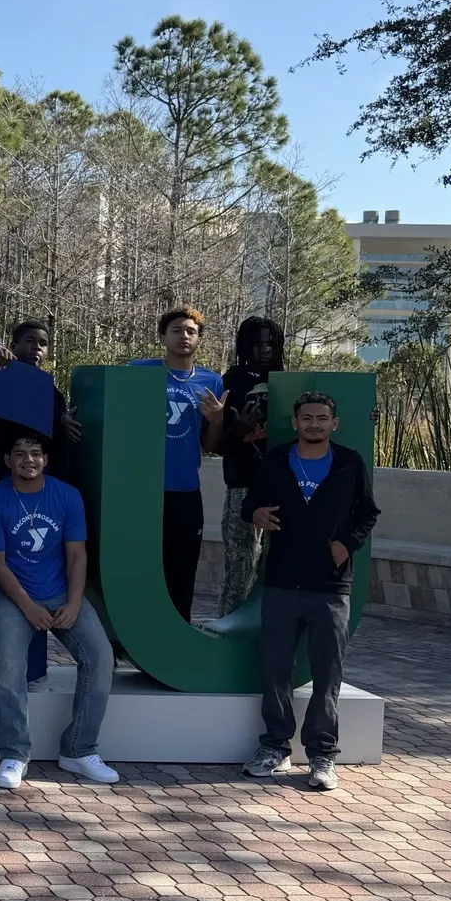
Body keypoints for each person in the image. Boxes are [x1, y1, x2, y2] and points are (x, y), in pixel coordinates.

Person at [242, 391, 380, 793]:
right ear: (296, 422)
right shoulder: (276, 459)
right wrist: (256, 514)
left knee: (327, 673)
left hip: (330, 587)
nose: (314, 424)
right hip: (282, 581)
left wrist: (345, 544)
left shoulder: (348, 463)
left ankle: (322, 755)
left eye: (322, 418)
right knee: (275, 670)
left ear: (333, 424)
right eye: (307, 418)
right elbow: (249, 502)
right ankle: (274, 747)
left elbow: (368, 513)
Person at [0, 430, 119, 790]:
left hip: (61, 593)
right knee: (9, 665)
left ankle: (79, 748)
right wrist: (26, 605)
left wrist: (73, 602)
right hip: (14, 596)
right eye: (20, 453)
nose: (29, 459)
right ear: (8, 460)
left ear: (46, 459)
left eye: (36, 453)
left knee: (101, 657)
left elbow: (76, 555)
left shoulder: (66, 496)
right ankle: (14, 753)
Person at [130, 306, 225, 620]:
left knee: (181, 572)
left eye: (191, 332)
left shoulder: (212, 381)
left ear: (199, 339)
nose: (184, 336)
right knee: (140, 568)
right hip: (143, 491)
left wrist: (216, 420)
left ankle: (176, 643)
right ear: (162, 336)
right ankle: (131, 639)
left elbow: (209, 446)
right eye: (177, 330)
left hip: (185, 491)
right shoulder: (138, 370)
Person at [217, 317, 284, 616]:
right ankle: (227, 631)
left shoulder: (290, 380)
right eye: (257, 343)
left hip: (285, 487)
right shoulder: (230, 382)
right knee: (241, 567)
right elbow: (214, 444)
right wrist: (239, 429)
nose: (265, 349)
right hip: (242, 484)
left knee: (278, 567)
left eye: (270, 342)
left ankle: (271, 637)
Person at [0, 320, 82, 495]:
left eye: (43, 344)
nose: (37, 347)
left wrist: (61, 424)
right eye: (30, 341)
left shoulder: (53, 393)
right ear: (13, 346)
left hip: (35, 487)